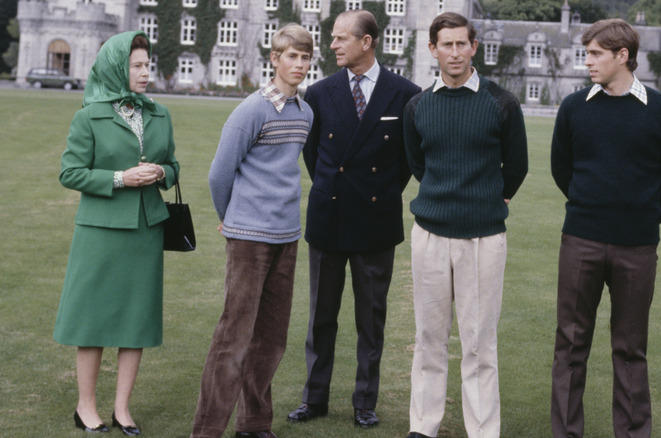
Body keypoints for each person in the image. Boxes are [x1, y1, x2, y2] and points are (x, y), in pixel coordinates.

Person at [549, 18, 661, 438]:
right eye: (585, 53)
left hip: (637, 247)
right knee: (570, 345)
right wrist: (592, 207)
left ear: (622, 56)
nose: (587, 61)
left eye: (595, 54)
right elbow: (562, 168)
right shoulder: (575, 106)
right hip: (581, 241)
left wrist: (641, 216)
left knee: (630, 349)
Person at [286, 9, 421, 429]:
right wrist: (333, 189)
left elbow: (407, 162)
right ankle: (315, 398)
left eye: (341, 38)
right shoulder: (320, 93)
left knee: (371, 319)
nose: (332, 45)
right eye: (332, 37)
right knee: (320, 317)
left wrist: (376, 196)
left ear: (367, 42)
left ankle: (365, 400)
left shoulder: (406, 93)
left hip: (377, 219)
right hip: (329, 216)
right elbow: (314, 156)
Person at [402, 12, 528, 438]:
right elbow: (419, 164)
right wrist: (446, 197)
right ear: (433, 49)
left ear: (474, 47)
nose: (454, 52)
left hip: (483, 238)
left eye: (461, 44)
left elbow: (517, 166)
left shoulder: (501, 103)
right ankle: (423, 426)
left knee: (479, 343)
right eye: (446, 44)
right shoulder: (418, 105)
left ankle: (482, 429)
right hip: (431, 235)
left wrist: (489, 200)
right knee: (428, 338)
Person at [189, 24, 314, 438]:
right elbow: (218, 174)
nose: (299, 64)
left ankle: (255, 424)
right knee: (233, 337)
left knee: (271, 339)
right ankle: (207, 430)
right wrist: (232, 219)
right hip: (248, 239)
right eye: (291, 56)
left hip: (287, 236)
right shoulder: (251, 111)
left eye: (305, 57)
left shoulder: (305, 112)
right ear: (274, 60)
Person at [54, 30, 179, 436]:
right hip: (100, 233)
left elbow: (174, 165)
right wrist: (121, 178)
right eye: (137, 66)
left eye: (147, 65)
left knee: (135, 321)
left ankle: (123, 408)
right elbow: (70, 172)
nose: (145, 73)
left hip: (145, 231)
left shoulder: (160, 113)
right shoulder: (88, 115)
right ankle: (85, 407)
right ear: (116, 67)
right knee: (92, 322)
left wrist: (162, 171)